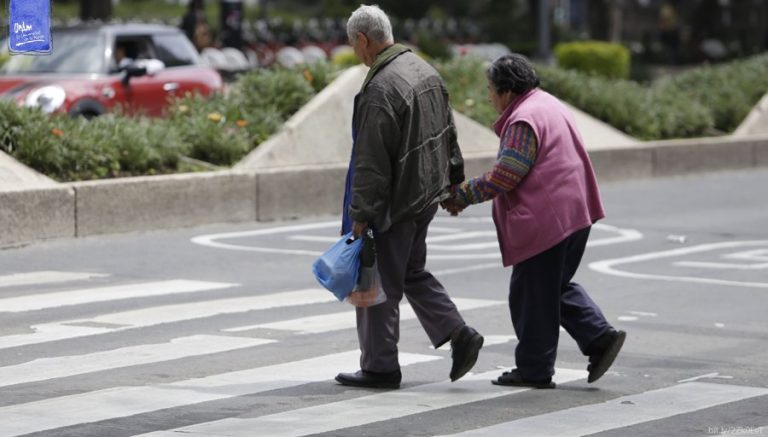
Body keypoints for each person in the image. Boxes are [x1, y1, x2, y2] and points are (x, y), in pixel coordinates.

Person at [442, 54, 626, 389]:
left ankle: (535, 369)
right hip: (575, 213)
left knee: (530, 293)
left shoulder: (523, 119)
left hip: (549, 218)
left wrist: (461, 195)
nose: (488, 97)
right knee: (550, 287)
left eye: (491, 90)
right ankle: (599, 337)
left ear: (508, 93)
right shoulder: (547, 104)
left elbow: (506, 174)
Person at [335, 4, 484, 390]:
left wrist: (361, 215)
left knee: (377, 284)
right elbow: (449, 132)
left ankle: (380, 367)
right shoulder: (425, 70)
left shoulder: (381, 87)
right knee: (412, 272)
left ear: (364, 40)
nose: (356, 53)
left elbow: (371, 162)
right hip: (424, 196)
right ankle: (458, 332)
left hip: (395, 202)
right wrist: (452, 182)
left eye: (355, 44)